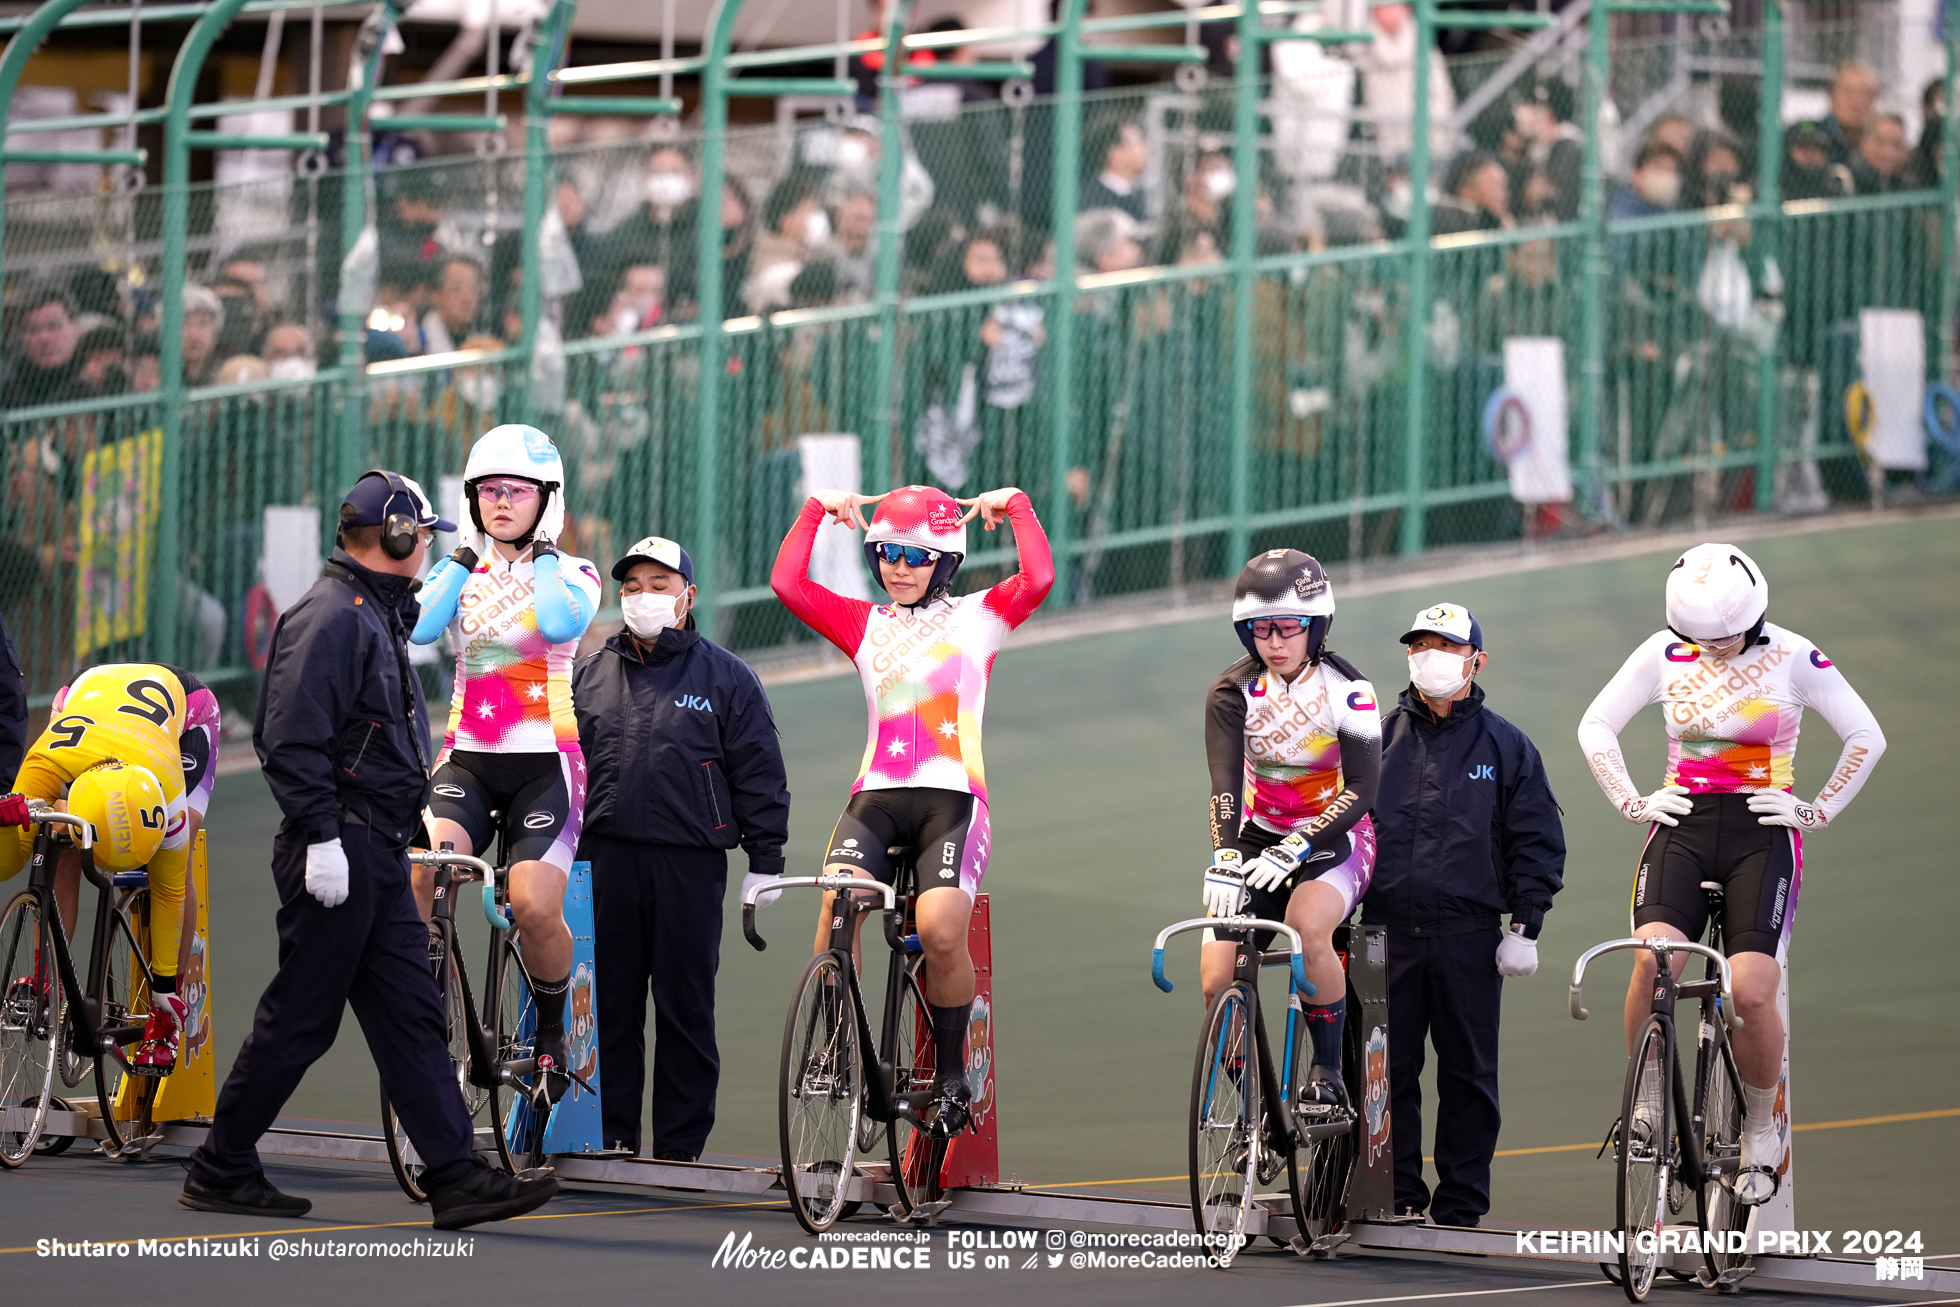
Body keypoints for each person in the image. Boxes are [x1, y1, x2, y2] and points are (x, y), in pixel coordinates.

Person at [183, 469, 557, 1226]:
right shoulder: (334, 616)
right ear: (393, 536)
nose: (426, 545)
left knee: (410, 1014)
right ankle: (221, 1162)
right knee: (300, 1017)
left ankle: (454, 1175)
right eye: (420, 533)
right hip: (343, 848)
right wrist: (322, 838)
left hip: (378, 849)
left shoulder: (369, 609)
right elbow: (289, 741)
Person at [1577, 543, 1885, 1205]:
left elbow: (1867, 734)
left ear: (1756, 613)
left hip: (1761, 835)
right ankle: (1650, 1102)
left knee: (1749, 993)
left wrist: (1817, 808)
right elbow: (1595, 723)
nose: (1714, 647)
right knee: (1651, 961)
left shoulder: (1796, 655)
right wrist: (1630, 799)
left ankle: (1756, 1126)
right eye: (1700, 638)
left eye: (1727, 636)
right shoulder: (1662, 652)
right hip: (1681, 827)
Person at [770, 483, 1053, 1130]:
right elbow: (787, 582)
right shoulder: (862, 622)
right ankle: (836, 1044)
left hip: (953, 801)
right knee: (836, 903)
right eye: (887, 551)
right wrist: (816, 510)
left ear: (946, 562)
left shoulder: (981, 615)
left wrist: (1015, 505)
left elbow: (1039, 574)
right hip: (875, 797)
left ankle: (952, 1073)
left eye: (915, 555)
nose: (898, 566)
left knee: (942, 930)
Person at [572, 536, 791, 1161]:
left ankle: (679, 1150)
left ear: (688, 597)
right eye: (633, 586)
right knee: (605, 1005)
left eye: (660, 586)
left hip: (690, 866)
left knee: (685, 1009)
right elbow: (559, 773)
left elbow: (759, 771)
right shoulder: (584, 676)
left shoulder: (727, 678)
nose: (644, 597)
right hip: (603, 861)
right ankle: (610, 1139)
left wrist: (765, 861)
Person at [410, 425, 601, 1096]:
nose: (499, 502)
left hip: (547, 764)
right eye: (487, 490)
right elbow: (419, 629)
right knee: (421, 875)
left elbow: (554, 623)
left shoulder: (576, 573)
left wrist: (542, 552)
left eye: (516, 491)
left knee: (531, 904)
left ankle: (552, 1030)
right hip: (467, 759)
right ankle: (423, 1016)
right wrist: (461, 559)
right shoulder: (456, 572)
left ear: (546, 500)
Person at [1365, 602, 1566, 1228]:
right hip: (1381, 934)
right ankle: (1394, 1195)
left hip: (1469, 937)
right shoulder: (1374, 738)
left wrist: (1526, 926)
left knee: (1469, 1076)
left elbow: (1536, 840)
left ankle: (1460, 1207)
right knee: (1383, 1071)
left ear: (1477, 661)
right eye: (1421, 646)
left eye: (1448, 647)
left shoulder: (1507, 746)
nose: (1433, 658)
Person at [1199, 550, 1380, 1122]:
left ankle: (1328, 1076)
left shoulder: (1350, 690)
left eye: (1289, 627)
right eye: (1260, 629)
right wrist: (1226, 853)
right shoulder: (1232, 693)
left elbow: (1365, 789)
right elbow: (1224, 783)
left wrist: (1302, 843)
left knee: (1306, 927)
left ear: (1317, 626)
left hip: (1337, 836)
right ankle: (1259, 1111)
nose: (1274, 642)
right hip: (1260, 835)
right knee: (1216, 974)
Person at [2, 662, 222, 1072]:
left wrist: (163, 986)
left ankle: (165, 1015)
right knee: (60, 834)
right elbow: (30, 814)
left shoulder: (167, 782)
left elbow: (172, 889)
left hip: (187, 715)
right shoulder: (51, 751)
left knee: (177, 851)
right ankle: (45, 977)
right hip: (88, 703)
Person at [1078, 117, 1149, 224]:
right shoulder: (1092, 199)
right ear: (1115, 153)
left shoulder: (1141, 195)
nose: (1145, 150)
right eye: (1138, 144)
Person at [1819, 60, 1877, 166]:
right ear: (1831, 96)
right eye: (1848, 92)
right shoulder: (1814, 141)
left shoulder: (1879, 147)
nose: (1857, 102)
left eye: (1864, 94)